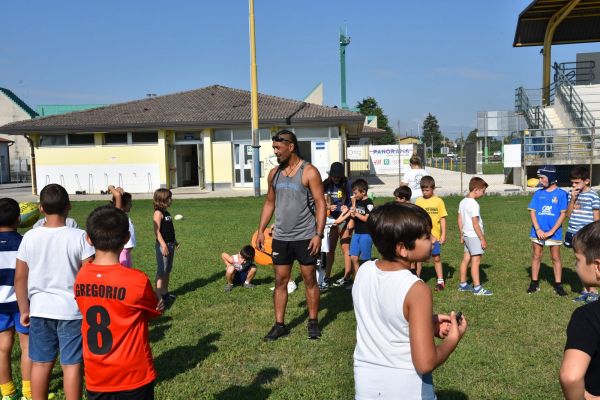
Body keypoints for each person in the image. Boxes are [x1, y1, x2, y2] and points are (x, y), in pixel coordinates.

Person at [353, 202, 467, 399]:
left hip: (366, 386)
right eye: (426, 236)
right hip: (407, 388)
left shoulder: (364, 271)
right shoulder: (417, 289)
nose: (433, 240)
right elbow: (425, 362)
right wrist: (453, 338)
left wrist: (426, 323)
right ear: (402, 249)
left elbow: (385, 318)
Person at [14, 184, 95, 400]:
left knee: (40, 363)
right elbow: (90, 274)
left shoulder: (30, 237)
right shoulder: (80, 236)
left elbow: (20, 277)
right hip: (72, 311)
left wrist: (24, 308)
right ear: (69, 206)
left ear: (40, 208)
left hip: (39, 310)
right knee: (72, 365)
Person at [75, 205, 161, 399]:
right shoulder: (136, 280)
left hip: (96, 375)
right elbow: (153, 311)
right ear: (126, 238)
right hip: (133, 374)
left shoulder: (81, 277)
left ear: (88, 238)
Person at [256, 129, 326, 341]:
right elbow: (270, 202)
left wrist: (318, 234)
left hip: (305, 236)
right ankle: (279, 325)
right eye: (274, 148)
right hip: (281, 238)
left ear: (291, 146)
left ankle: (313, 322)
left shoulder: (309, 171)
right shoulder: (274, 174)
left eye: (278, 148)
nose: (275, 152)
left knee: (309, 279)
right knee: (280, 280)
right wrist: (261, 229)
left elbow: (321, 204)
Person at [559, 220, 600, 399]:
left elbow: (571, 377)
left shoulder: (588, 317)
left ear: (597, 266)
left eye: (578, 260)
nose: (575, 266)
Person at [0, 198, 32, 400]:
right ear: (19, 219)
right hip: (23, 304)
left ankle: (7, 393)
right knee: (27, 347)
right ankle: (28, 394)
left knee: (3, 348)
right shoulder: (24, 243)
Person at [527, 165, 568, 296]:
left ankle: (558, 285)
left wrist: (551, 232)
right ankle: (534, 283)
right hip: (537, 232)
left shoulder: (561, 194)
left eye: (542, 177)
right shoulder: (538, 193)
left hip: (553, 233)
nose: (540, 180)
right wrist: (538, 229)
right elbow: (532, 211)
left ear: (551, 178)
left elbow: (563, 214)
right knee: (536, 255)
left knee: (555, 257)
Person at [564, 166, 600, 303]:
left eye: (577, 182)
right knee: (580, 261)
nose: (574, 185)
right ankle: (585, 291)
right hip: (573, 232)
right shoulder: (571, 193)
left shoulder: (593, 196)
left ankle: (594, 292)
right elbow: (567, 215)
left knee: (589, 261)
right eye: (572, 182)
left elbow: (597, 219)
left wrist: (596, 236)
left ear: (586, 181)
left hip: (588, 235)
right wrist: (572, 199)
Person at [457, 177, 492, 296]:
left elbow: (459, 219)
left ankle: (462, 284)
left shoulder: (463, 201)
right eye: (483, 191)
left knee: (466, 259)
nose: (484, 193)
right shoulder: (473, 204)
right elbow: (475, 223)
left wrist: (461, 233)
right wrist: (482, 239)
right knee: (476, 261)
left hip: (467, 235)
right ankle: (477, 288)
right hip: (474, 236)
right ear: (476, 190)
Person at [322, 162, 353, 290]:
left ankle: (347, 277)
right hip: (332, 220)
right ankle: (326, 277)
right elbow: (321, 201)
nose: (336, 178)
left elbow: (353, 202)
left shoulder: (348, 184)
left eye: (338, 177)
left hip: (345, 219)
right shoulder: (326, 184)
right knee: (330, 249)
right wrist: (328, 206)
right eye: (334, 176)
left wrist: (350, 216)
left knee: (346, 248)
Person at [415, 176, 447, 290]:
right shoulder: (418, 201)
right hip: (422, 236)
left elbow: (443, 218)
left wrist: (443, 234)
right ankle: (416, 279)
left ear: (433, 188)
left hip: (435, 236)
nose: (425, 192)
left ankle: (440, 280)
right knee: (418, 258)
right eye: (423, 190)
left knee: (436, 257)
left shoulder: (439, 201)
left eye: (427, 190)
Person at [341, 179, 374, 290]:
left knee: (365, 261)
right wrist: (348, 211)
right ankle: (357, 282)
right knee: (354, 258)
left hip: (366, 235)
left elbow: (367, 219)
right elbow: (353, 214)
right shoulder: (357, 201)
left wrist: (355, 214)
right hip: (356, 234)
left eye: (355, 193)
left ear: (363, 192)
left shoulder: (369, 203)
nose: (354, 195)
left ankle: (368, 283)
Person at [153, 188, 178, 309]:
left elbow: (169, 229)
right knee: (161, 270)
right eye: (169, 198)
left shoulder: (166, 212)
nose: (171, 200)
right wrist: (163, 245)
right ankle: (158, 296)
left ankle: (165, 293)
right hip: (163, 246)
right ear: (162, 199)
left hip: (170, 244)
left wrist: (174, 241)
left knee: (167, 270)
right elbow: (157, 230)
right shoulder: (158, 213)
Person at [317, 206, 351, 291]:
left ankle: (320, 282)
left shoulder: (325, 218)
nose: (329, 211)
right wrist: (349, 213)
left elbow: (336, 222)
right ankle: (319, 283)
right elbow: (338, 221)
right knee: (319, 266)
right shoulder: (323, 219)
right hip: (320, 247)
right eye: (327, 209)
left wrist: (343, 213)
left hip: (321, 248)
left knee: (320, 266)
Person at [108, 185, 136, 268]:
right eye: (129, 203)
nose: (131, 205)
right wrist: (111, 187)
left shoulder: (125, 215)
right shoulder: (119, 214)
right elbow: (118, 195)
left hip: (127, 253)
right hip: (122, 253)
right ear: (122, 205)